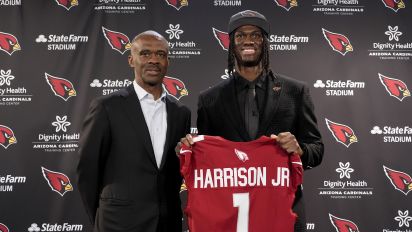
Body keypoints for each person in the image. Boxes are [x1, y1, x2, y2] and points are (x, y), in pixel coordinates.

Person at [178, 10, 323, 232]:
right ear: (231, 44)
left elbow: (317, 149)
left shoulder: (295, 91)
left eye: (255, 35)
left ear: (265, 42)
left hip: (282, 208)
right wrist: (189, 150)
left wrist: (300, 150)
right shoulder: (210, 99)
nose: (248, 40)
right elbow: (208, 160)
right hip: (231, 213)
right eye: (240, 36)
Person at [77, 30, 191, 232]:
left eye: (160, 54)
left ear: (168, 61)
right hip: (117, 223)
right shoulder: (107, 107)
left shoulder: (181, 112)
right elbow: (88, 169)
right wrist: (102, 216)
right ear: (131, 60)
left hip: (167, 223)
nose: (153, 60)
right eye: (145, 53)